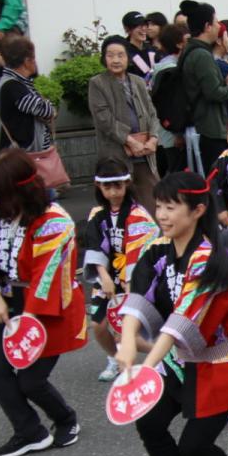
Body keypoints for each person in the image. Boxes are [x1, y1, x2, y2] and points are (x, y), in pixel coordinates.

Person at [115, 171, 228, 456]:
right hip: (178, 360)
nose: (161, 214)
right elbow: (137, 298)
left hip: (218, 362)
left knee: (193, 448)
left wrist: (146, 362)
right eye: (159, 205)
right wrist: (128, 340)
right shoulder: (157, 250)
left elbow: (181, 322)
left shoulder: (210, 259)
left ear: (197, 210)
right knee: (148, 421)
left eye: (171, 207)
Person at [0, 148, 85, 456]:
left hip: (48, 307)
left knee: (31, 380)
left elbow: (46, 280)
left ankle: (66, 419)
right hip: (7, 299)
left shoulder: (54, 221)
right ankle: (29, 431)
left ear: (15, 189)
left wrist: (26, 322)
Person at [83, 156, 160, 383]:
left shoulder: (139, 215)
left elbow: (140, 253)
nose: (114, 192)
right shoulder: (97, 214)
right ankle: (115, 358)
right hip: (106, 276)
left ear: (127, 184)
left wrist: (130, 287)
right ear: (99, 187)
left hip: (135, 278)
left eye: (118, 186)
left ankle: (164, 352)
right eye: (107, 187)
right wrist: (104, 276)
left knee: (126, 330)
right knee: (98, 325)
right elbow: (94, 245)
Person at [89, 35, 161, 211]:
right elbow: (104, 119)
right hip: (116, 154)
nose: (115, 60)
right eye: (110, 55)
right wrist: (129, 140)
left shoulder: (137, 81)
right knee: (118, 206)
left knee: (152, 202)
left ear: (128, 57)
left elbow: (152, 113)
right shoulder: (97, 83)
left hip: (144, 153)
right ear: (103, 58)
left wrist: (153, 138)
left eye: (120, 55)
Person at [179, 2, 228, 173]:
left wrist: (226, 82)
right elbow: (213, 93)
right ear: (207, 26)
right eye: (215, 22)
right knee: (219, 178)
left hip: (203, 125)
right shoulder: (201, 55)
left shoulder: (192, 50)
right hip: (210, 128)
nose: (218, 26)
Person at [0, 37, 56, 160]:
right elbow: (44, 110)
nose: (35, 62)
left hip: (29, 153)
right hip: (22, 155)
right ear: (27, 61)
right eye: (33, 58)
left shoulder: (21, 82)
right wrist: (49, 107)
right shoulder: (12, 85)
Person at [152, 22, 191, 175]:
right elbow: (171, 104)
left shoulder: (162, 66)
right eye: (187, 39)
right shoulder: (169, 70)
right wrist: (178, 133)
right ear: (179, 43)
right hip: (172, 133)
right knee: (178, 175)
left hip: (166, 131)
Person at [121, 11, 157, 80]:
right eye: (138, 26)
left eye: (145, 25)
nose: (143, 29)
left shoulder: (152, 49)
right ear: (127, 29)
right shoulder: (124, 52)